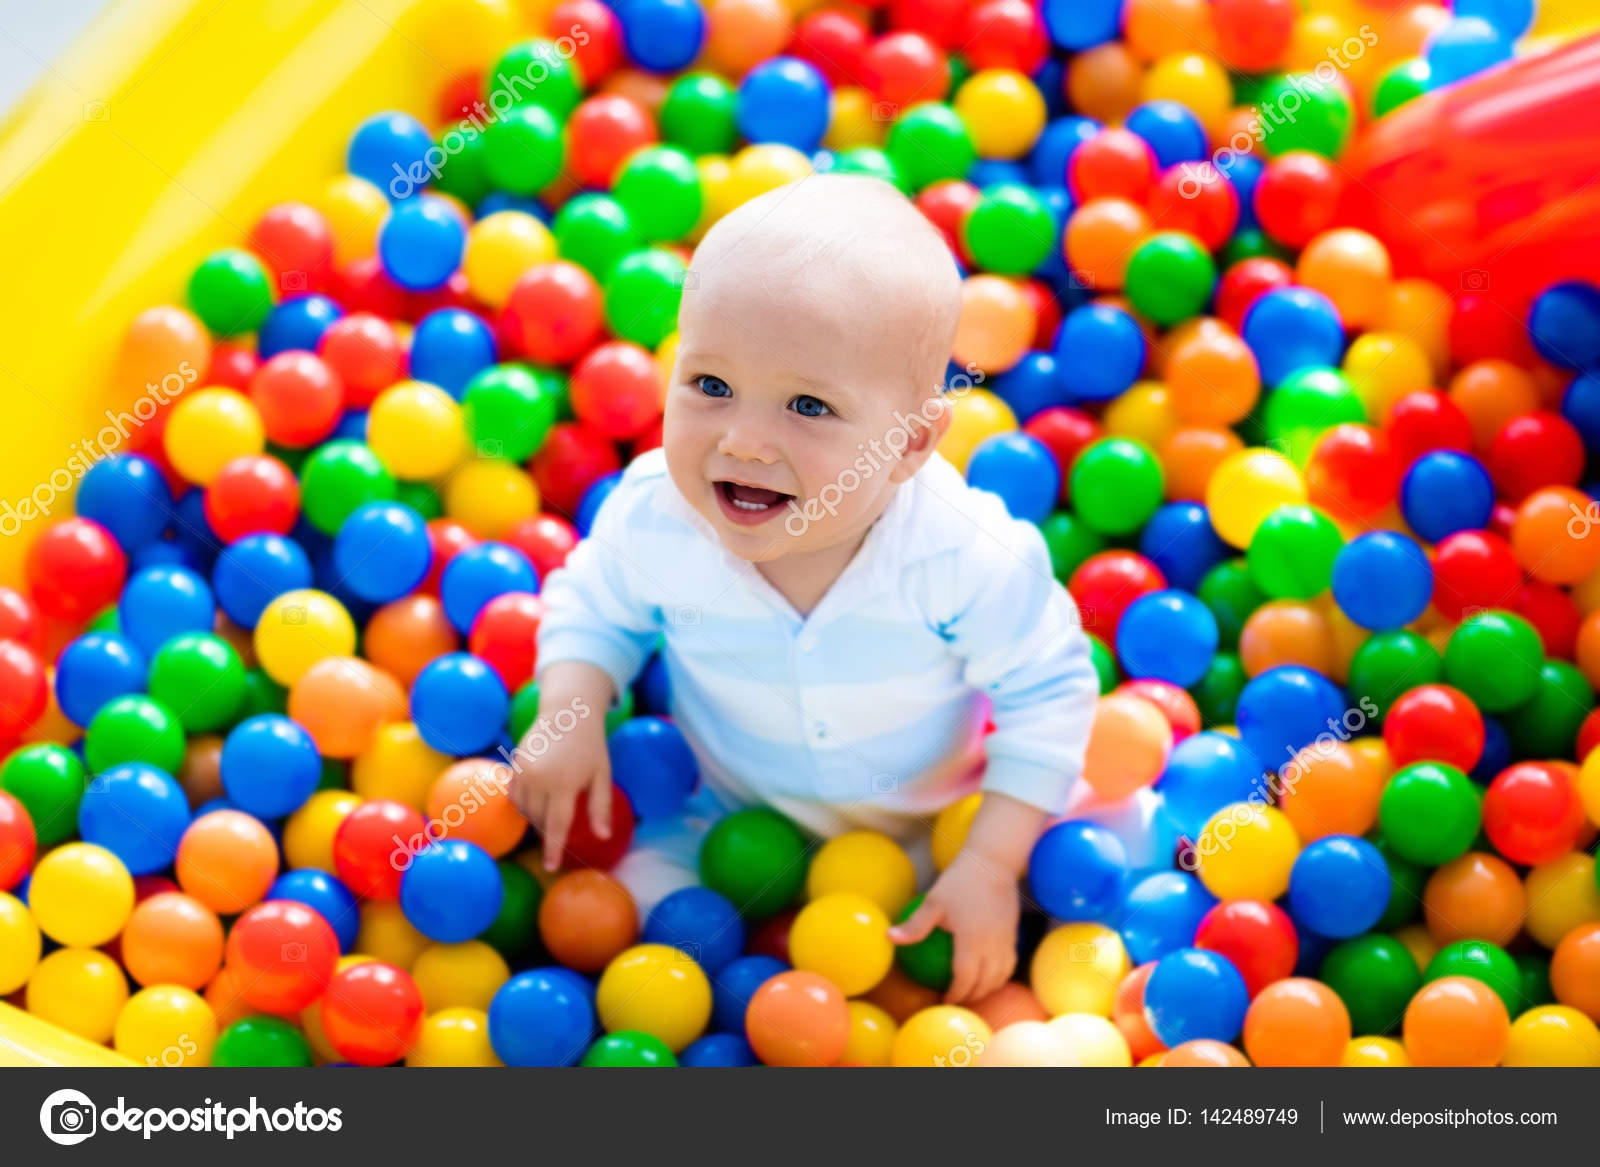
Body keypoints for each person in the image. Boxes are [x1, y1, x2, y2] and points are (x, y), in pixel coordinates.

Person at [509, 174, 1098, 1004]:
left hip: (938, 826)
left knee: (1088, 883)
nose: (744, 442)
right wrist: (570, 710)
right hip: (719, 811)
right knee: (619, 927)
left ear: (911, 442)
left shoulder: (962, 554)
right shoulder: (659, 516)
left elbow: (1051, 693)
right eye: (710, 386)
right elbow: (594, 603)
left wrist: (990, 862)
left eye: (809, 406)